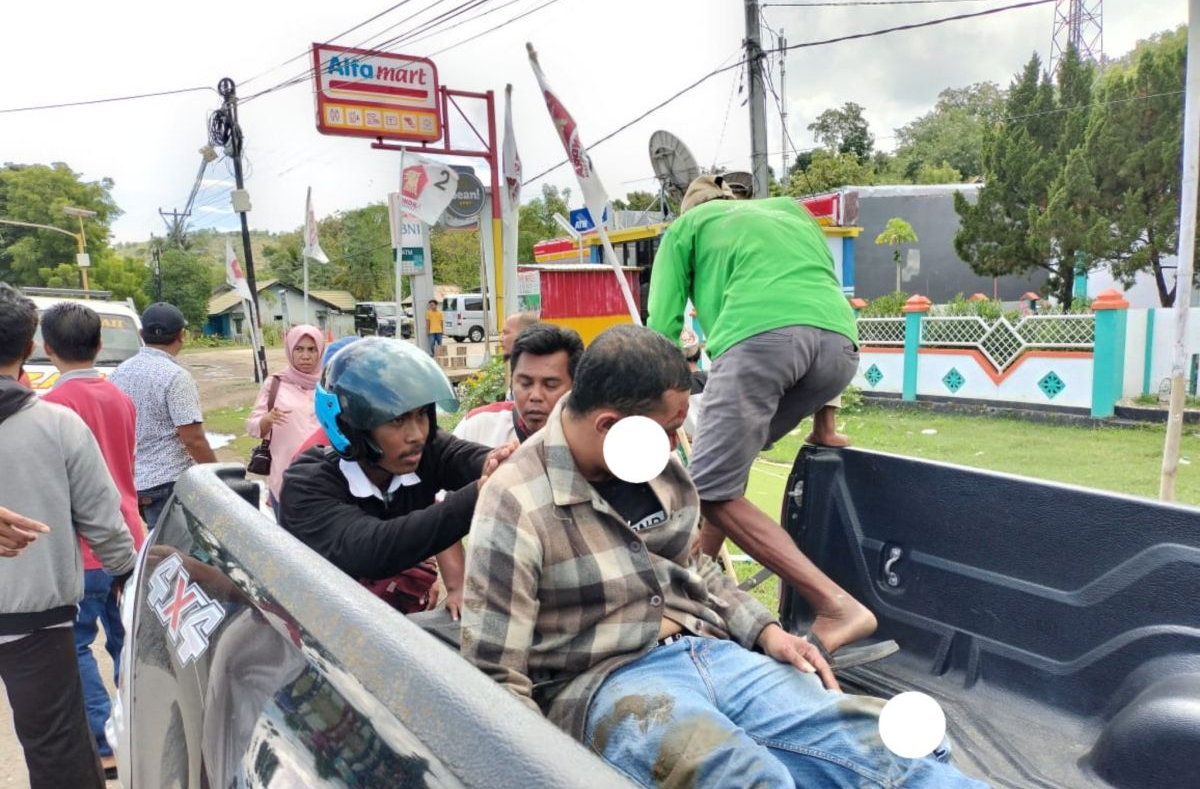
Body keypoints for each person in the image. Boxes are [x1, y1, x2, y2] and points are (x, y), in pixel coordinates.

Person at [461, 326, 981, 788]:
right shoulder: (516, 503)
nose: (674, 443)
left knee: (891, 748)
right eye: (666, 429)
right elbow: (498, 678)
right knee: (749, 778)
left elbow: (693, 568)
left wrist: (765, 631)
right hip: (608, 682)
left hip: (712, 651)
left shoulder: (659, 468)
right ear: (608, 425)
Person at [647, 175, 874, 655]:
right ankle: (692, 588)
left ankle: (837, 605)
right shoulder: (789, 211)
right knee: (726, 472)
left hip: (759, 340)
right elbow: (818, 288)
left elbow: (662, 326)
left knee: (704, 488)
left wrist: (654, 410)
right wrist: (824, 425)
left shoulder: (686, 228)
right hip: (841, 346)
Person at [0, 284, 138, 789]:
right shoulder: (56, 424)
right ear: (28, 346)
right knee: (57, 749)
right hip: (34, 619)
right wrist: (126, 570)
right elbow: (103, 520)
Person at [279, 337, 515, 620]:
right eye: (396, 420)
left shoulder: (421, 451)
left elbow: (469, 458)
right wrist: (483, 493)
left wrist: (509, 462)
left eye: (420, 416)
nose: (416, 434)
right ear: (351, 426)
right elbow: (374, 547)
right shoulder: (307, 484)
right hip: (316, 625)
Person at [40, 302, 146, 775]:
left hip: (82, 549)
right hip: (129, 537)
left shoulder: (50, 409)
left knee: (77, 642)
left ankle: (105, 738)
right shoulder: (120, 398)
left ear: (45, 348)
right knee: (129, 638)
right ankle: (136, 724)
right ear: (100, 346)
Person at [110, 302, 216, 530]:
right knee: (176, 556)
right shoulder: (177, 377)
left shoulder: (118, 373)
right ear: (182, 335)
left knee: (157, 548)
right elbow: (193, 439)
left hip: (134, 481)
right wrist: (218, 476)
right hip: (169, 482)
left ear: (141, 334)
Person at [453, 323, 583, 448]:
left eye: (550, 385)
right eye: (525, 384)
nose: (535, 396)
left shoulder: (591, 439)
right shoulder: (476, 429)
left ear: (575, 387)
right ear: (512, 382)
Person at [245, 324, 326, 513]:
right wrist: (267, 419)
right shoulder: (275, 383)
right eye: (299, 349)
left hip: (324, 477)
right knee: (286, 539)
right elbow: (252, 426)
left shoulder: (328, 383)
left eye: (312, 349)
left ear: (320, 351)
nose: (305, 356)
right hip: (284, 477)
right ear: (290, 350)